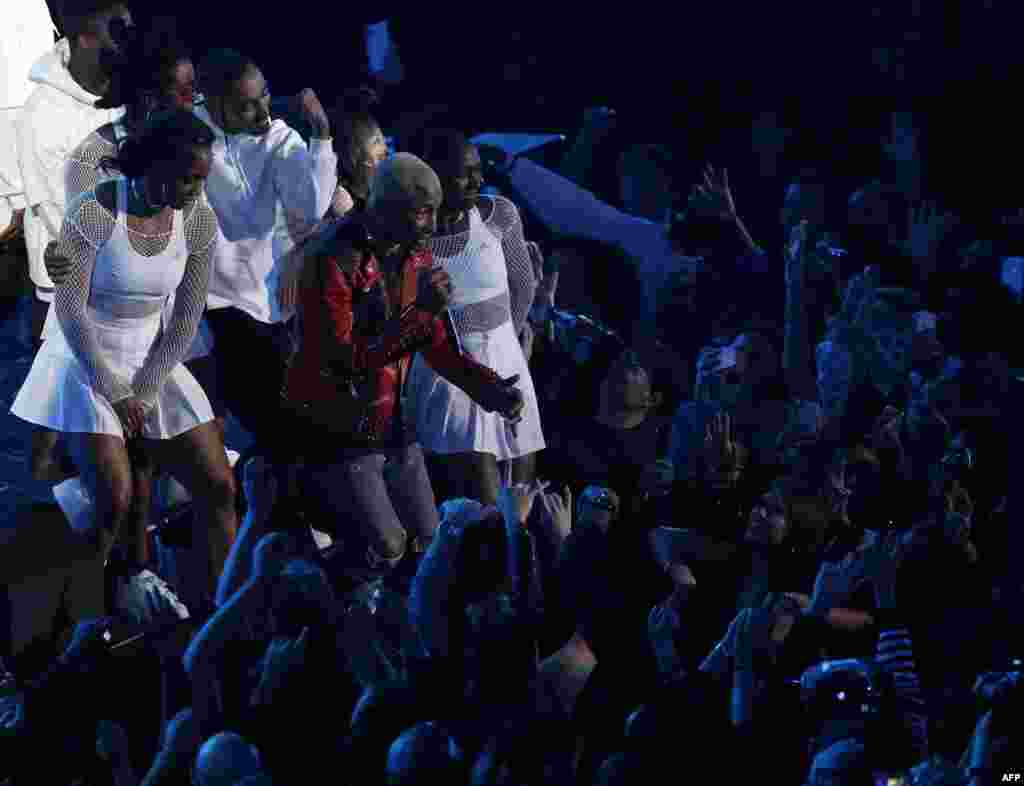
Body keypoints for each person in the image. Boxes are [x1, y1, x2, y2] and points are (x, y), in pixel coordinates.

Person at [10, 110, 238, 600]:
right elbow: (69, 308)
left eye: (201, 179)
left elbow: (185, 317)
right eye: (185, 178)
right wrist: (116, 391)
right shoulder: (93, 211)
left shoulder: (198, 219)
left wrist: (149, 386)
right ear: (152, 166)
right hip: (87, 358)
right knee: (114, 500)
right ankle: (83, 608)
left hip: (152, 359)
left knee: (219, 484)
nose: (195, 190)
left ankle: (232, 607)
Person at [284, 153, 524, 574]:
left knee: (433, 543)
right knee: (387, 546)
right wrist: (420, 315)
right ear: (386, 212)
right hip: (337, 426)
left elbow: (436, 344)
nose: (433, 225)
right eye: (422, 213)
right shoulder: (333, 260)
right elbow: (345, 361)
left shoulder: (415, 255)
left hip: (392, 421)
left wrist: (489, 389)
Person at [194, 48, 337, 463]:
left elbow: (308, 211)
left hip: (276, 301)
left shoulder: (279, 137)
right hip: (219, 306)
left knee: (287, 433)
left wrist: (322, 134)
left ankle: (280, 516)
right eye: (247, 105)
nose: (262, 113)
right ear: (215, 102)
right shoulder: (190, 138)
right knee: (268, 430)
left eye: (265, 97)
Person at [406, 129, 543, 505]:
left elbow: (524, 286)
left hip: (507, 360)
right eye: (464, 173)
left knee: (522, 498)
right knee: (482, 507)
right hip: (449, 375)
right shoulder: (409, 237)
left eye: (478, 170)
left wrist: (509, 343)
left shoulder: (500, 214)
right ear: (433, 177)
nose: (477, 180)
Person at [16, 0, 132, 343]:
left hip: (135, 276)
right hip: (72, 284)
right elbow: (53, 208)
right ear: (84, 37)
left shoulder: (134, 90)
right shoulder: (40, 113)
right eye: (117, 30)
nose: (130, 38)